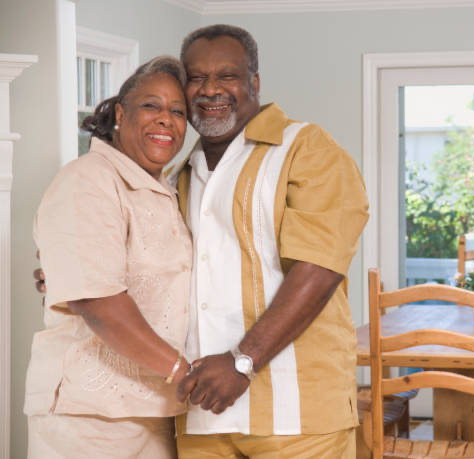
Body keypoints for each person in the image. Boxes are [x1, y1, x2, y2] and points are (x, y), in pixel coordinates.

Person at [169, 25, 369, 458]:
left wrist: (242, 362)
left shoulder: (306, 149)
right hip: (201, 409)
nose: (210, 89)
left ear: (254, 83)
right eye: (197, 78)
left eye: (227, 76)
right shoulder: (177, 172)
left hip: (298, 413)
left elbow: (319, 270)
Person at [25, 56, 193, 459]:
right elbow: (98, 302)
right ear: (120, 113)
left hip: (156, 409)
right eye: (151, 105)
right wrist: (185, 373)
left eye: (178, 111)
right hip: (89, 415)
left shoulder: (167, 190)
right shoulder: (88, 179)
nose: (166, 119)